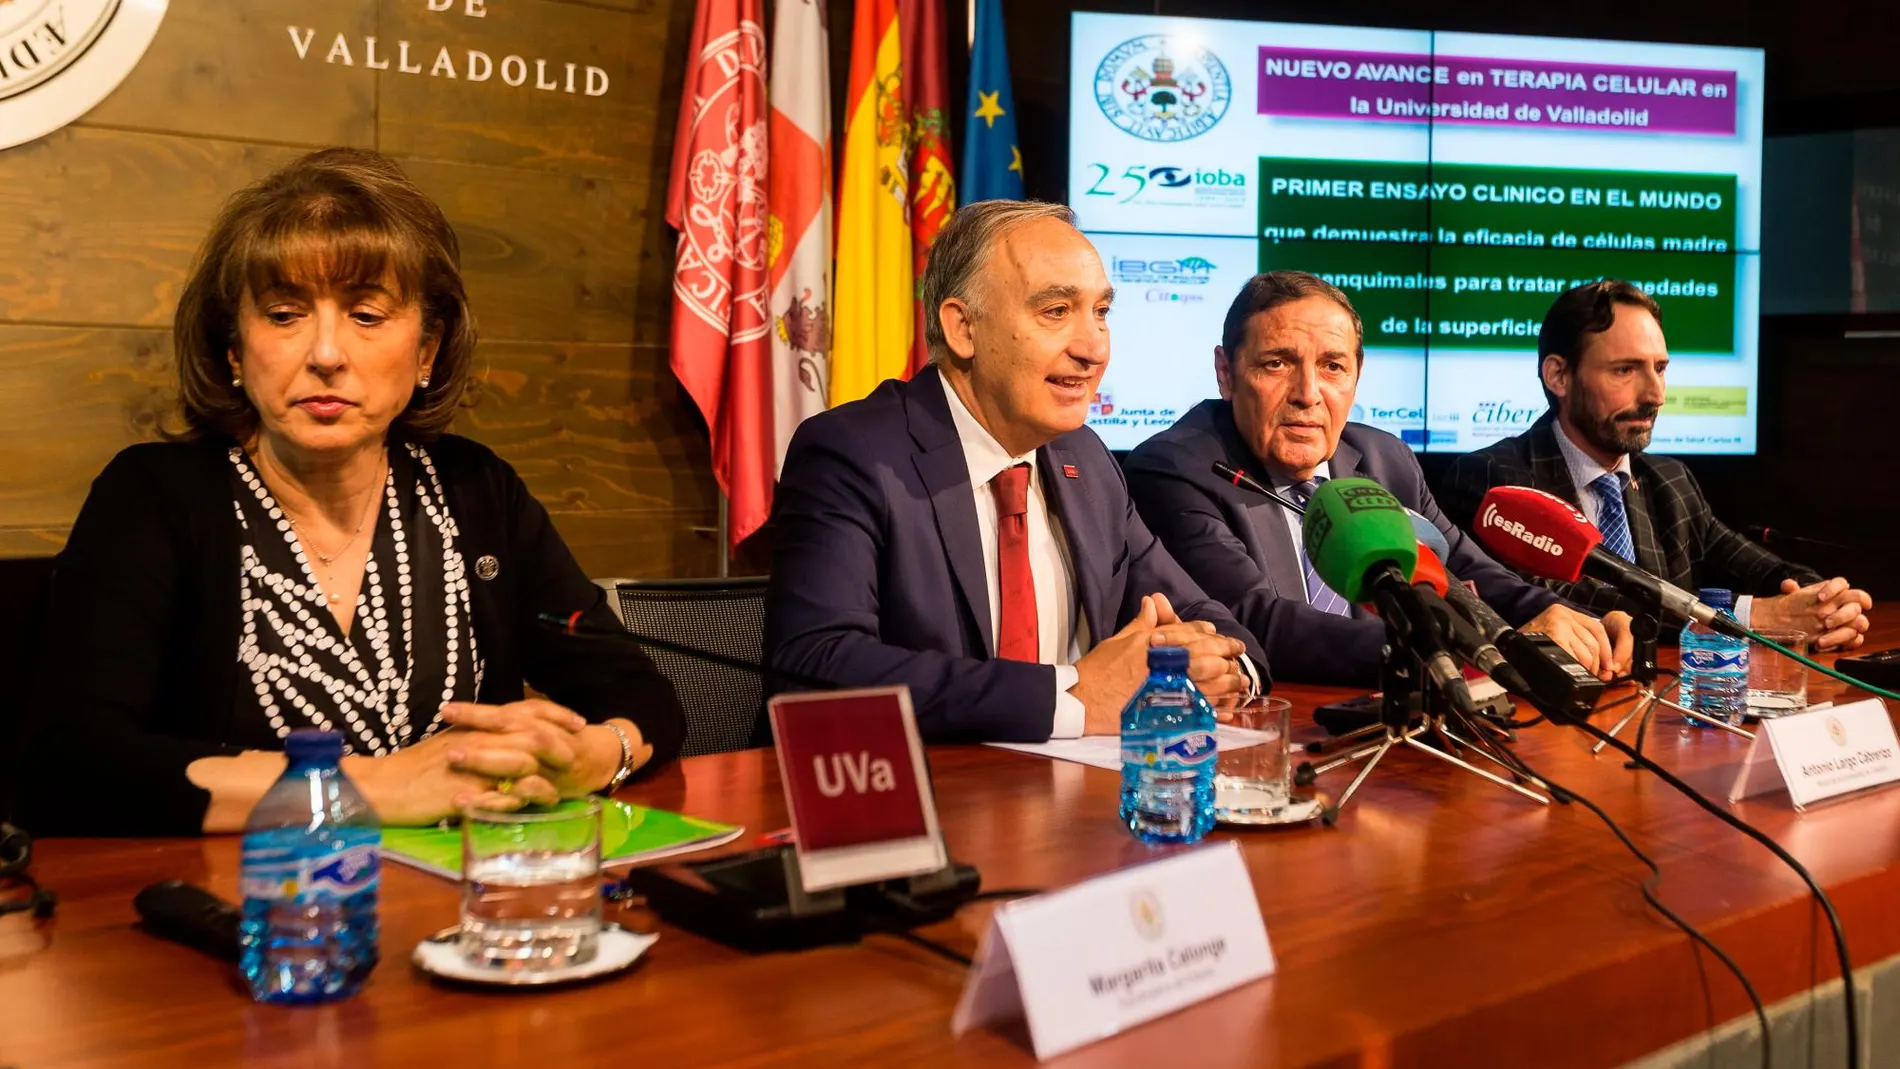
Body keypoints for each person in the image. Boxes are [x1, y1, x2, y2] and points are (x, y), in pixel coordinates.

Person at [16, 148, 684, 837]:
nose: (327, 352)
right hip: (258, 912)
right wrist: (370, 787)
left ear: (426, 352)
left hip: (463, 909)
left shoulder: (474, 492)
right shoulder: (153, 497)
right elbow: (69, 766)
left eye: (366, 315)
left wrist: (595, 754)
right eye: (283, 314)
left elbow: (638, 691)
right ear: (234, 353)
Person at [763, 200, 1265, 742]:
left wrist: (1223, 669)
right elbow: (815, 665)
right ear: (962, 329)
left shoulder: (1086, 460)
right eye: (1055, 311)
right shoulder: (855, 454)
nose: (1094, 348)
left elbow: (1202, 613)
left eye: (1101, 313)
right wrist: (1074, 697)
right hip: (914, 799)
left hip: (1072, 803)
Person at [1125, 271, 1632, 688]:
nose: (1308, 393)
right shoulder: (1177, 468)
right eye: (1276, 363)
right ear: (1226, 372)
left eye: (1332, 367)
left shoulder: (1383, 458)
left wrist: (1556, 616)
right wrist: (1457, 648)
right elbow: (1257, 622)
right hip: (1280, 729)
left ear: (1356, 375)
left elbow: (1466, 565)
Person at [1435, 279, 1873, 651]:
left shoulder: (1669, 481)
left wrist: (1824, 605)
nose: (1655, 395)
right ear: (1558, 376)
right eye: (1625, 370)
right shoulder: (1494, 481)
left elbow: (1767, 571)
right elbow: (1574, 604)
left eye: (1660, 368)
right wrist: (1752, 616)